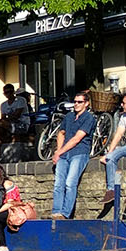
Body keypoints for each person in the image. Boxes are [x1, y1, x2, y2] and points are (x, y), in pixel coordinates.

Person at [50, 91, 96, 219]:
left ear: (86, 103)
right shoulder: (69, 117)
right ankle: (56, 211)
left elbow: (77, 138)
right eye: (75, 101)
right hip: (64, 154)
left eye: (79, 102)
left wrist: (59, 152)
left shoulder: (89, 118)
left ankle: (65, 213)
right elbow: (61, 133)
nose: (76, 104)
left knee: (70, 182)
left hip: (79, 152)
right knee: (59, 183)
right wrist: (58, 151)